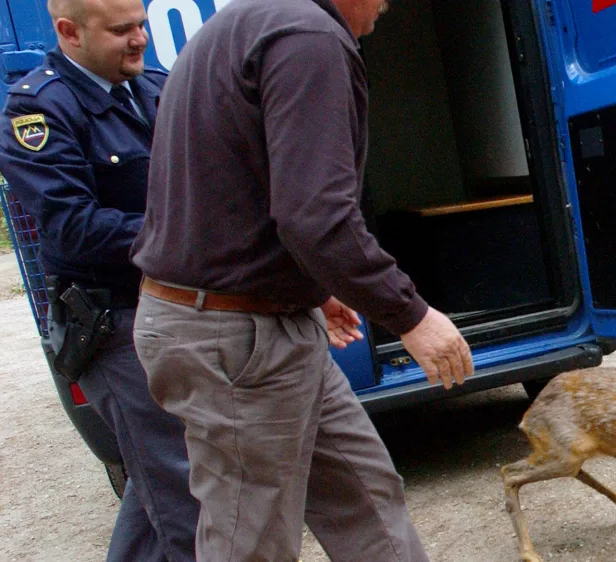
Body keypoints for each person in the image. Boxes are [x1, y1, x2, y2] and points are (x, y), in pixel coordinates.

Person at [129, 0, 475, 559]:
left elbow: (234, 194)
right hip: (237, 341)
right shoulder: (309, 36)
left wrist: (312, 288)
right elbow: (317, 217)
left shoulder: (246, 22)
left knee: (364, 495)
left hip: (259, 323)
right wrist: (410, 314)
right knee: (251, 541)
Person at [0, 0, 199, 560]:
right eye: (121, 31)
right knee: (186, 494)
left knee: (160, 478)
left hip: (183, 312)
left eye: (140, 24)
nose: (140, 39)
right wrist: (190, 233)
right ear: (68, 32)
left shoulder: (157, 87)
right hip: (119, 326)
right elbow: (72, 227)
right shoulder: (38, 110)